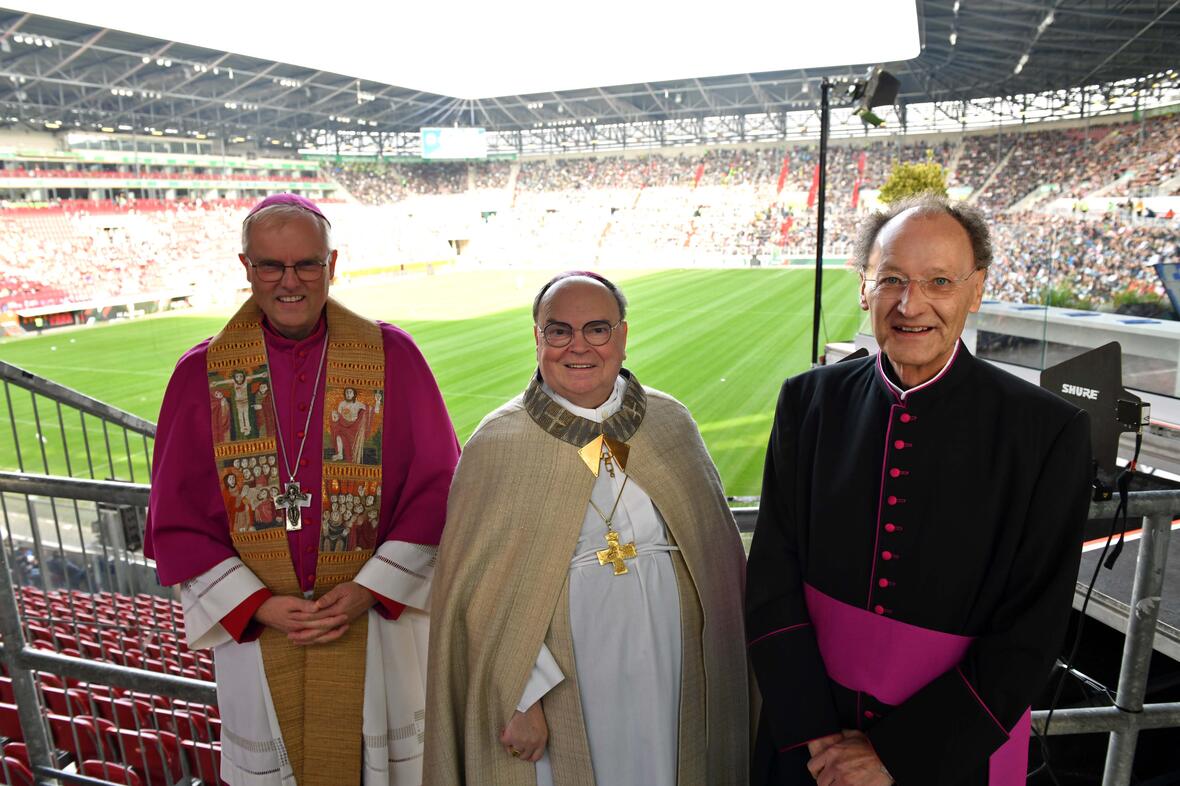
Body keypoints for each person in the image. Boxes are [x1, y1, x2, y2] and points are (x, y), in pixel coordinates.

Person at [745, 195, 1092, 786]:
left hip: (949, 751)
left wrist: (895, 755)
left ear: (975, 290)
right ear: (863, 287)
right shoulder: (809, 402)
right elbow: (772, 577)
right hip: (807, 744)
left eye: (939, 281)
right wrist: (818, 735)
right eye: (893, 280)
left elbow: (1032, 630)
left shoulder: (1045, 432)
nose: (911, 305)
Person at [145, 193, 459, 786]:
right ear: (247, 268)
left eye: (306, 264)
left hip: (373, 629)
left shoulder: (392, 356)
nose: (289, 282)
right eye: (271, 265)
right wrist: (257, 605)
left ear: (332, 264)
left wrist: (370, 588)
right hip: (261, 635)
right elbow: (177, 519)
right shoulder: (201, 373)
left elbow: (439, 488)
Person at [424, 272, 749, 785]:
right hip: (570, 680)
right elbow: (479, 597)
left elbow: (717, 562)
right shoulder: (499, 442)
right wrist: (521, 694)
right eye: (559, 331)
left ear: (621, 336)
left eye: (596, 329)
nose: (577, 347)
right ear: (537, 338)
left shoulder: (670, 422)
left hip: (674, 661)